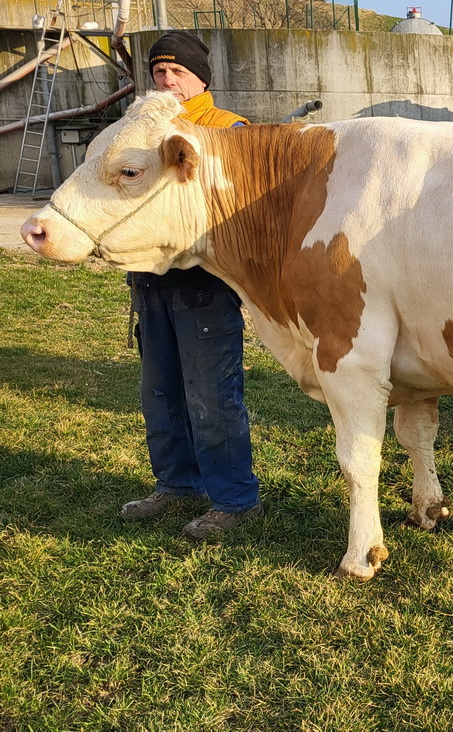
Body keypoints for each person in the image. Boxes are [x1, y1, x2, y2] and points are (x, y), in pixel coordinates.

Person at [119, 30, 262, 540]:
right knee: (160, 392)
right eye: (158, 72)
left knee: (213, 396)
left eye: (177, 71)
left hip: (204, 284)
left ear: (201, 77)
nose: (166, 79)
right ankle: (176, 484)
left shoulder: (229, 130)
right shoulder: (138, 128)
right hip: (150, 280)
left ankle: (234, 499)